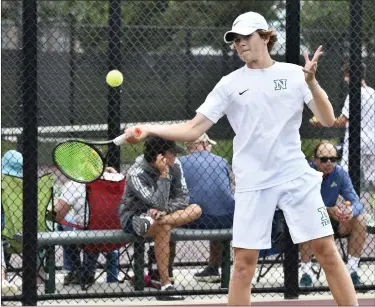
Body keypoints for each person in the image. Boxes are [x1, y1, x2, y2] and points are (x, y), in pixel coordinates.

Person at [122, 11, 358, 306]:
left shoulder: (295, 74)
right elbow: (193, 128)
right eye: (235, 39)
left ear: (266, 37)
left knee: (327, 252)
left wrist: (311, 82)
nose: (240, 43)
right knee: (243, 266)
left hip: (296, 177)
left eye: (246, 36)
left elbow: (327, 119)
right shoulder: (229, 84)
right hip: (253, 183)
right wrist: (147, 130)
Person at [118, 136, 202, 300]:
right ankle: (165, 285)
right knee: (165, 228)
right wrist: (163, 175)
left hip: (161, 216)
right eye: (172, 153)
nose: (176, 156)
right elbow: (156, 202)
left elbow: (183, 198)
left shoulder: (176, 165)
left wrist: (164, 212)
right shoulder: (136, 173)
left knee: (196, 209)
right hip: (134, 217)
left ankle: (157, 222)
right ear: (160, 156)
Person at [299, 141, 367, 287]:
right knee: (304, 219)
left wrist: (350, 212)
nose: (329, 162)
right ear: (314, 159)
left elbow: (357, 203)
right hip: (310, 219)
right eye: (324, 159)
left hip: (333, 221)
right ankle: (306, 273)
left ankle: (352, 271)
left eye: (333, 159)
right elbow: (301, 203)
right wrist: (325, 209)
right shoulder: (306, 173)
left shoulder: (340, 173)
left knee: (360, 219)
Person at [178, 133, 235, 282]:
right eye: (208, 144)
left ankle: (166, 272)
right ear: (203, 144)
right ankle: (213, 268)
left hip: (195, 218)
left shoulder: (179, 162)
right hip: (226, 218)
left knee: (168, 221)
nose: (209, 147)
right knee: (216, 207)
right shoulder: (221, 161)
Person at [311, 62, 375, 191]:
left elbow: (341, 121)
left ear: (349, 75)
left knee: (344, 172)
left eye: (346, 75)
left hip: (356, 141)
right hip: (372, 140)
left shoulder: (353, 95)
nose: (345, 79)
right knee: (373, 177)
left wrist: (321, 121)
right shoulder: (372, 93)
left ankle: (344, 204)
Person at [54, 167, 123, 286]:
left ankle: (76, 270)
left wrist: (56, 203)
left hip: (88, 234)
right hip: (117, 234)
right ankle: (112, 278)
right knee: (103, 224)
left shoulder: (75, 184)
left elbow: (56, 216)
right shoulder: (117, 179)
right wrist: (115, 175)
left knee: (68, 224)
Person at [1, 151, 21, 295]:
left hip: (6, 232)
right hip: (30, 230)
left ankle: (3, 279)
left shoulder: (2, 182)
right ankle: (38, 281)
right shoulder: (31, 184)